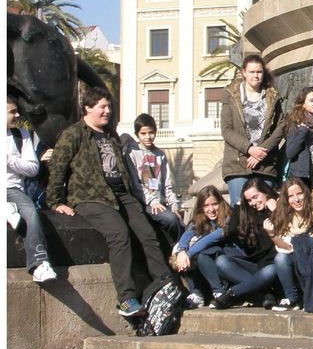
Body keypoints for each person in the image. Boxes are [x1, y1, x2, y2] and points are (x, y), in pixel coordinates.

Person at [46, 87, 173, 316]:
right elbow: (57, 166)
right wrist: (55, 201)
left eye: (109, 106)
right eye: (102, 107)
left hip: (121, 195)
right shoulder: (73, 134)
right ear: (87, 108)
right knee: (119, 234)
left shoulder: (111, 135)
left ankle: (166, 286)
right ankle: (126, 299)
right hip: (90, 196)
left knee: (147, 234)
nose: (107, 111)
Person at [220, 55, 284, 205]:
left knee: (266, 207)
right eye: (252, 72)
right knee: (240, 207)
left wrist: (262, 150)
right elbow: (226, 129)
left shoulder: (272, 95)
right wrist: (249, 149)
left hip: (265, 164)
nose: (256, 75)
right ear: (244, 72)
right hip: (237, 163)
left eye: (259, 72)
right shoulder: (230, 95)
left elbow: (281, 126)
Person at [7, 99, 56, 284]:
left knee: (30, 213)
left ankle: (40, 263)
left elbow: (33, 168)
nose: (18, 115)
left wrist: (9, 160)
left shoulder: (22, 135)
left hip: (12, 189)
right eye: (12, 112)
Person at [213, 177, 280, 309]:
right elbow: (230, 231)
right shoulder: (249, 213)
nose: (253, 202)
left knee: (271, 270)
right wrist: (239, 207)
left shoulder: (279, 207)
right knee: (222, 261)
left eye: (255, 197)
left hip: (275, 265)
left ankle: (232, 294)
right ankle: (266, 293)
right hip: (256, 267)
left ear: (265, 192)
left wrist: (276, 211)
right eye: (249, 200)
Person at [123, 113, 183, 243]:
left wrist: (174, 204)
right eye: (143, 134)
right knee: (170, 220)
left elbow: (167, 184)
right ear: (137, 134)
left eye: (151, 133)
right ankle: (176, 250)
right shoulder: (132, 153)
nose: (148, 137)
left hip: (161, 202)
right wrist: (152, 201)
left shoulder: (160, 154)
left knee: (180, 221)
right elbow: (135, 185)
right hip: (144, 203)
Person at [265, 178, 313, 311]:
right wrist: (272, 235)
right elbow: (286, 248)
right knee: (280, 258)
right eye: (291, 196)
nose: (296, 199)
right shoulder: (284, 215)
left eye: (299, 194)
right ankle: (292, 299)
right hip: (294, 254)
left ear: (306, 193)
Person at [170, 185, 231, 308]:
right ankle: (196, 292)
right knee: (178, 253)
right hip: (205, 259)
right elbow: (188, 234)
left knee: (200, 254)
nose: (211, 209)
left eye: (214, 204)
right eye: (206, 206)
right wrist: (182, 251)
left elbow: (212, 238)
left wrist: (188, 254)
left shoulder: (229, 217)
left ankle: (219, 292)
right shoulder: (199, 219)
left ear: (220, 202)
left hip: (225, 257)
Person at [284, 86, 313, 200]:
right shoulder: (296, 123)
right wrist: (302, 132)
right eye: (311, 100)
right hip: (301, 175)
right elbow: (290, 153)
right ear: (303, 104)